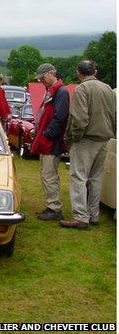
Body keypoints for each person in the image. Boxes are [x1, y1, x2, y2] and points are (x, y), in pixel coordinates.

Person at [60, 61, 116, 229]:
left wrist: (74, 138)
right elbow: (114, 115)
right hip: (104, 139)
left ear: (78, 73)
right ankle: (94, 215)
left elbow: (79, 118)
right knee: (96, 178)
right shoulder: (108, 88)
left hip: (86, 139)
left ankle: (80, 217)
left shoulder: (81, 89)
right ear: (95, 71)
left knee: (78, 177)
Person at [30, 63, 70, 221]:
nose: (41, 81)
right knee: (47, 174)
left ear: (49, 74)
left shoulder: (60, 92)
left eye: (41, 78)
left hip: (51, 141)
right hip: (48, 139)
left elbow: (60, 117)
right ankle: (51, 205)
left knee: (49, 175)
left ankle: (54, 208)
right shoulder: (54, 91)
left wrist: (48, 134)